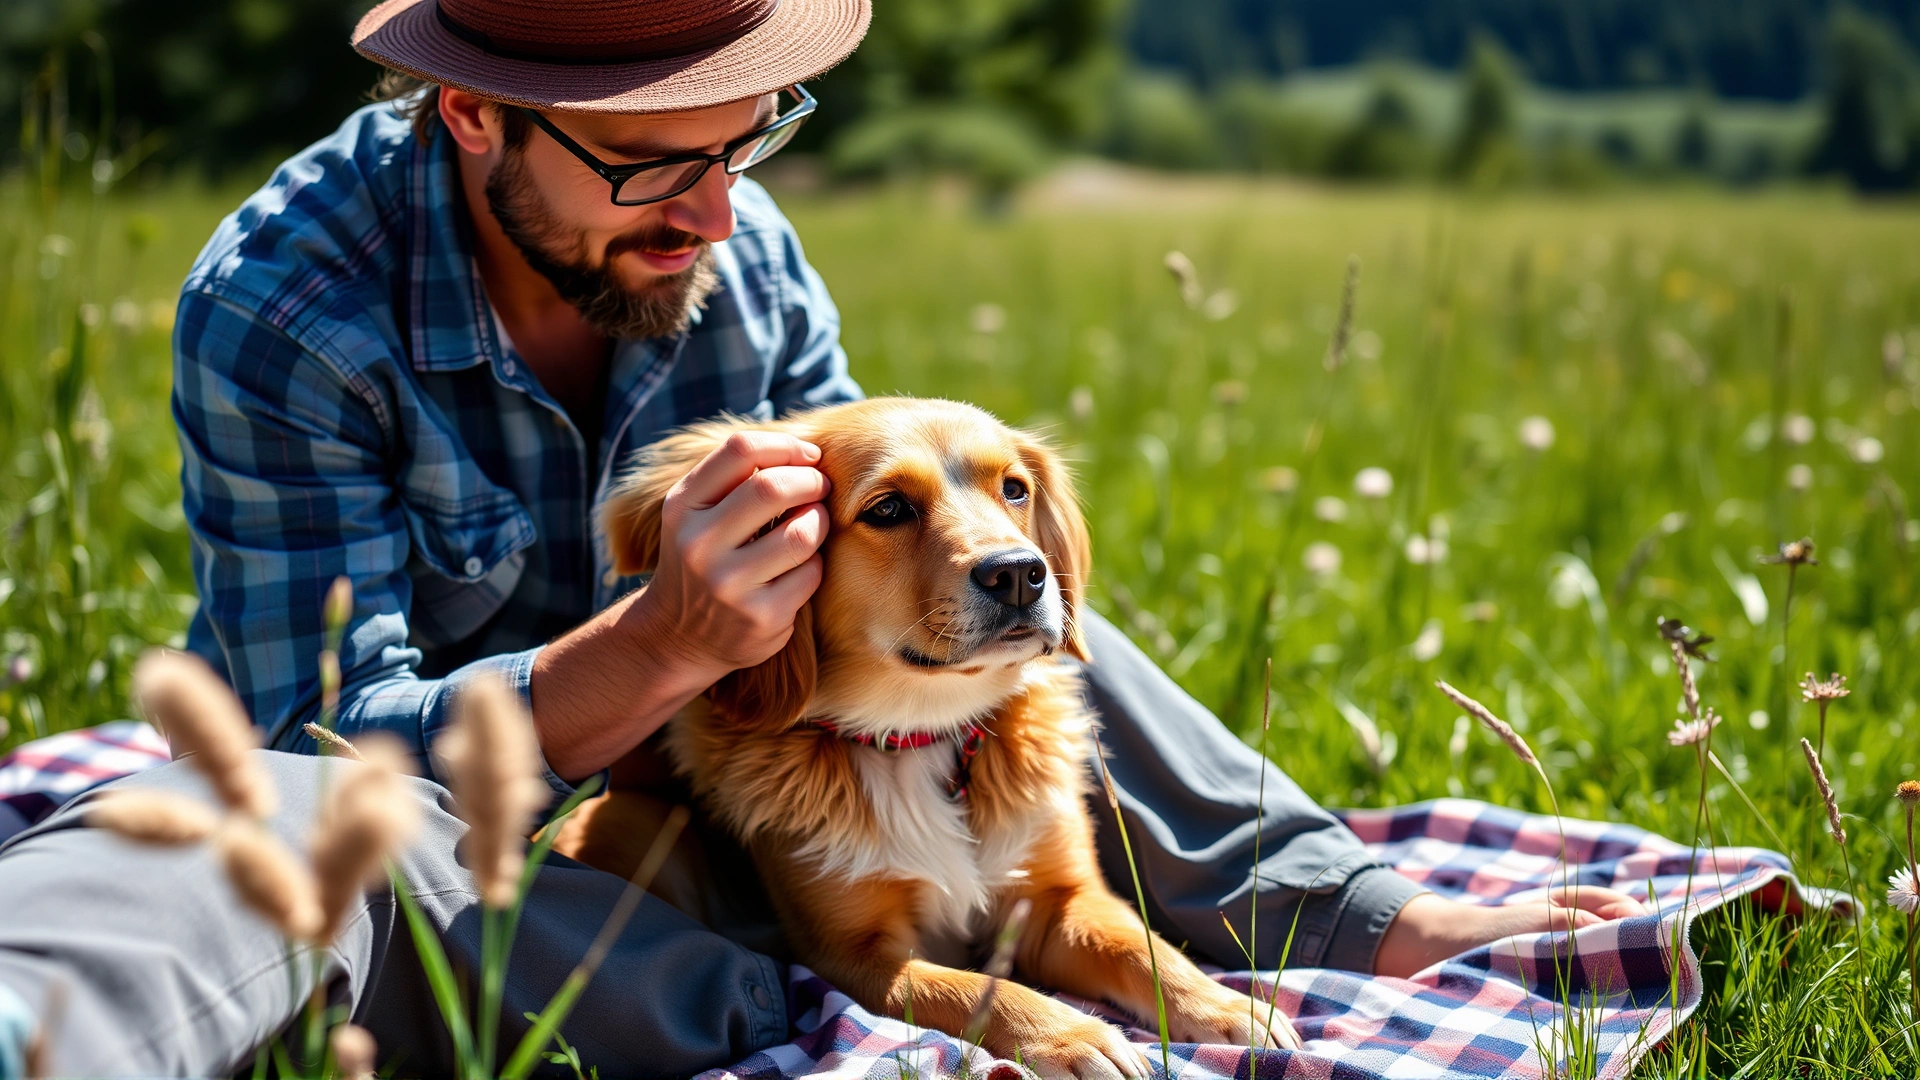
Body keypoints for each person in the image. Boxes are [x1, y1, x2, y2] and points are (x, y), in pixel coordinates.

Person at [0, 0, 1644, 1075]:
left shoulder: (742, 242)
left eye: (749, 136)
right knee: (313, 841)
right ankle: (801, 1004)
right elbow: (329, 751)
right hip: (494, 811)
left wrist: (898, 599)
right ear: (469, 115)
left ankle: (1338, 908)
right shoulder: (287, 310)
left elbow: (899, 561)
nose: (717, 213)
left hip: (768, 734)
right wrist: (660, 648)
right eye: (654, 161)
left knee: (1018, 605)